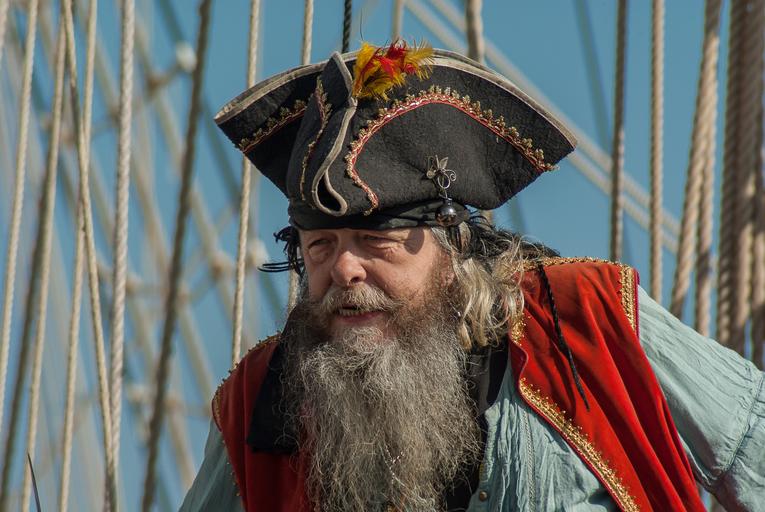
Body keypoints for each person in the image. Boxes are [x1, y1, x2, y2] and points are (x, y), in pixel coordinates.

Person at [180, 42, 764, 511]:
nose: (344, 268)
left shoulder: (587, 317)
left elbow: (749, 444)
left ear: (451, 248)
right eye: (320, 247)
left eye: (375, 241)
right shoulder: (259, 402)